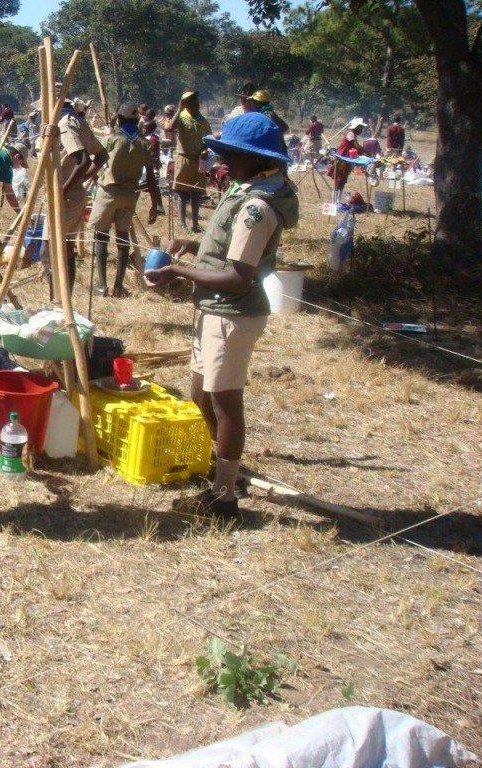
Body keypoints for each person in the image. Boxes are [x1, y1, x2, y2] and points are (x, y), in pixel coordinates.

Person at [144, 113, 299, 518]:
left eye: (232, 154)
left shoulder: (257, 208)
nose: (224, 161)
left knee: (225, 402)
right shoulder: (246, 189)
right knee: (201, 394)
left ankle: (224, 496)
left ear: (257, 159)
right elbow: (228, 252)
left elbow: (237, 277)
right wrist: (194, 246)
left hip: (232, 314)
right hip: (213, 310)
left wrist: (177, 270)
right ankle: (221, 466)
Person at [89, 103, 153, 298]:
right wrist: (155, 203)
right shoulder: (145, 143)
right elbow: (150, 176)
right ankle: (118, 286)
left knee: (101, 236)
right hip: (129, 194)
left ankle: (102, 285)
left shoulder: (111, 139)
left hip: (108, 192)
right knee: (122, 239)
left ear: (120, 119)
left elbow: (98, 160)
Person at [46, 94, 108, 295]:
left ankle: (61, 300)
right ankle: (61, 299)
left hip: (66, 195)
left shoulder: (66, 123)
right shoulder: (75, 120)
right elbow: (101, 156)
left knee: (55, 249)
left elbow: (84, 161)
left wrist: (65, 189)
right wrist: (78, 181)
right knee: (59, 247)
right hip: (67, 192)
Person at [172, 90, 211, 233]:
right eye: (193, 101)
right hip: (184, 159)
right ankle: (182, 224)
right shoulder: (181, 117)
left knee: (197, 193)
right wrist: (179, 109)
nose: (197, 104)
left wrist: (205, 150)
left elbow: (208, 139)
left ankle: (195, 224)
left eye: (197, 101)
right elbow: (169, 127)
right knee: (181, 193)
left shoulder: (202, 119)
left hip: (198, 161)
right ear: (186, 104)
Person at [328, 118, 365, 204]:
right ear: (356, 127)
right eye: (361, 128)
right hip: (341, 160)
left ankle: (338, 200)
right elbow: (356, 146)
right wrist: (365, 151)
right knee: (339, 180)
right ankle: (334, 202)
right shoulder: (350, 134)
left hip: (347, 160)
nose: (362, 130)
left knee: (343, 181)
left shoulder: (354, 135)